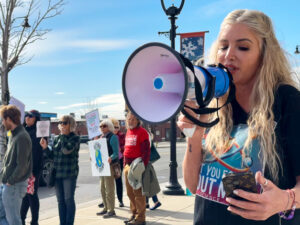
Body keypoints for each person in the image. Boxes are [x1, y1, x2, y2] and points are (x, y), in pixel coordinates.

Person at [177, 9, 300, 225]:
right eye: (223, 46)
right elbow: (193, 186)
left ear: (264, 54)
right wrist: (193, 136)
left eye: (243, 47)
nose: (228, 55)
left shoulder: (287, 100)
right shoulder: (212, 102)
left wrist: (284, 200)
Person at [40, 115, 80, 225]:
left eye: (65, 123)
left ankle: (69, 222)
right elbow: (52, 156)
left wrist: (62, 136)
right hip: (57, 174)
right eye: (60, 122)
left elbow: (66, 150)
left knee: (68, 199)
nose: (62, 125)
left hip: (69, 174)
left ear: (71, 124)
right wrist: (45, 147)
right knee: (60, 201)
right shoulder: (57, 138)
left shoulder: (75, 138)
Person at [0, 105, 32, 225]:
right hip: (7, 184)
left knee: (13, 220)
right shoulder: (13, 135)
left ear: (9, 119)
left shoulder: (22, 137)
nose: (2, 122)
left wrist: (10, 181)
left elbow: (22, 165)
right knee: (3, 217)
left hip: (14, 185)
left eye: (3, 119)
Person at [123, 112, 150, 225]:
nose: (131, 121)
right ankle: (134, 214)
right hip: (128, 166)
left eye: (133, 119)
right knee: (130, 193)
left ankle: (140, 218)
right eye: (129, 119)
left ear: (138, 120)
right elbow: (126, 148)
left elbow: (146, 151)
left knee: (138, 193)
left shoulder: (142, 132)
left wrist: (142, 166)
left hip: (137, 166)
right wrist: (124, 164)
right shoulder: (128, 131)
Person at [21, 110, 43, 225]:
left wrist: (31, 171)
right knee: (25, 195)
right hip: (22, 169)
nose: (27, 118)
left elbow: (35, 153)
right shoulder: (23, 130)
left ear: (36, 119)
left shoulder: (39, 133)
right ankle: (21, 219)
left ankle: (34, 221)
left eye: (30, 116)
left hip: (33, 169)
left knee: (31, 194)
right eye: (26, 116)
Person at [95, 119, 119, 218]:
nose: (102, 128)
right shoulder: (101, 137)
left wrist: (111, 157)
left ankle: (111, 210)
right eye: (100, 126)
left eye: (104, 126)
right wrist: (93, 156)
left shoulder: (113, 137)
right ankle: (105, 207)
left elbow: (116, 153)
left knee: (109, 189)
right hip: (102, 166)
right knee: (102, 188)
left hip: (109, 166)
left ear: (109, 126)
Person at [110, 118, 125, 207]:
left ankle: (120, 200)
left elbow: (124, 146)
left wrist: (120, 148)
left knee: (118, 180)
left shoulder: (121, 135)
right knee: (108, 181)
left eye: (117, 127)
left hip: (118, 161)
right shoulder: (107, 136)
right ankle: (106, 201)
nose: (115, 129)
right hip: (109, 161)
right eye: (113, 127)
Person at [145, 131, 161, 211]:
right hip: (147, 163)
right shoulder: (146, 134)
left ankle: (155, 201)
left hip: (146, 163)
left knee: (146, 183)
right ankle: (147, 203)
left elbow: (147, 148)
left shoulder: (145, 134)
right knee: (147, 183)